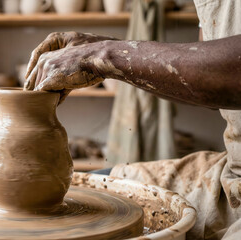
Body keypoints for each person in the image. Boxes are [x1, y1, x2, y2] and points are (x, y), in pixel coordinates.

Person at [24, 1, 241, 239]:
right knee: (85, 187)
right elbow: (210, 89)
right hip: (231, 172)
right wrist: (106, 49)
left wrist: (105, 54)